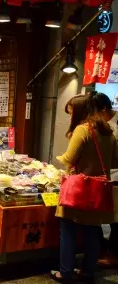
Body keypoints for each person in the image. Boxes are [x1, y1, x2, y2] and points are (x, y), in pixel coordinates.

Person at [51, 94, 118, 283]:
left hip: (78, 189)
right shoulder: (108, 131)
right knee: (92, 232)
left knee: (68, 231)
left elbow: (69, 158)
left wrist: (58, 161)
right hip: (97, 191)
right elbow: (114, 161)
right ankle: (88, 272)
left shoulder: (83, 129)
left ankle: (65, 272)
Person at [89, 92, 118, 267]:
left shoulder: (115, 125)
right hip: (110, 177)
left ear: (104, 109)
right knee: (108, 215)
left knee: (116, 218)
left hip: (117, 177)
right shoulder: (107, 124)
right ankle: (106, 249)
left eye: (95, 113)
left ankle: (114, 255)